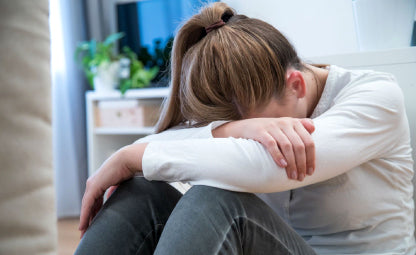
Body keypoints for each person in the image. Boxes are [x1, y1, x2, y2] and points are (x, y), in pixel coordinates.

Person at [75, 3, 415, 254]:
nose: (250, 130)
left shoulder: (376, 97)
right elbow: (169, 138)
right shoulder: (256, 97)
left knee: (215, 200)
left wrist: (133, 156)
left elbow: (268, 169)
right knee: (145, 192)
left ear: (295, 84)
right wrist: (239, 128)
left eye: (248, 122)